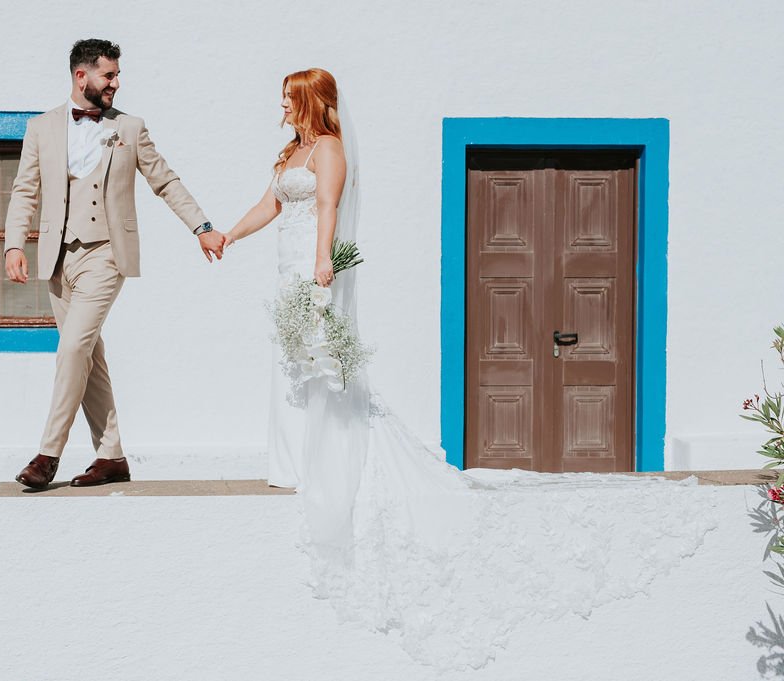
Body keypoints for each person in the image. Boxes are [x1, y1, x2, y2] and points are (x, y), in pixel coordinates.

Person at [224, 68, 715, 672]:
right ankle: (290, 461)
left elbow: (325, 204)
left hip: (311, 265)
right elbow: (268, 204)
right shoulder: (291, 151)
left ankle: (321, 458)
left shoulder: (328, 148)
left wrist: (322, 262)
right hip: (283, 266)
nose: (279, 100)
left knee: (318, 362)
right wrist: (228, 235)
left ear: (309, 97)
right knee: (289, 360)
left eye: (287, 92)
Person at [5, 39, 227, 490]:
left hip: (106, 254)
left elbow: (164, 180)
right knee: (88, 355)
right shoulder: (41, 128)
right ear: (81, 76)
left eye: (117, 75)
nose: (116, 83)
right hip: (57, 259)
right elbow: (25, 190)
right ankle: (111, 457)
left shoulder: (131, 127)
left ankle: (48, 454)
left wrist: (201, 225)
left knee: (71, 350)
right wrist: (13, 244)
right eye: (109, 75)